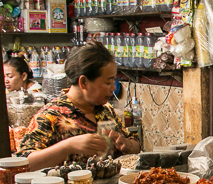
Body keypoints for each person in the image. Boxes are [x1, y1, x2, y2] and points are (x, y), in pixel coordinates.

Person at [17, 40, 140, 170]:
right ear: (84, 82)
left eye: (114, 81)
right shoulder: (49, 116)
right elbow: (23, 164)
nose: (113, 88)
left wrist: (128, 145)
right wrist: (67, 147)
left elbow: (134, 143)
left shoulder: (106, 111)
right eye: (108, 82)